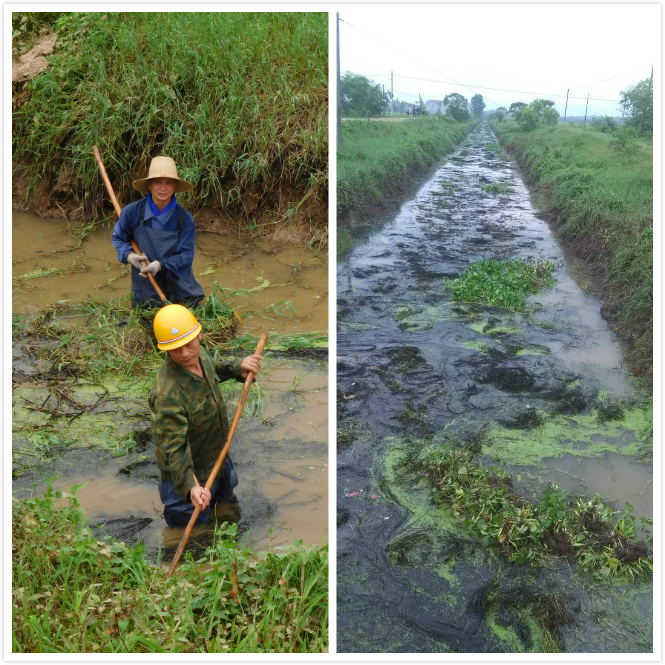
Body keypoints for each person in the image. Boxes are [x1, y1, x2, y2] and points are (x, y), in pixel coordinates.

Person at [149, 304, 262, 527]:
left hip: (217, 457)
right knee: (192, 531)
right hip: (189, 474)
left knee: (227, 513)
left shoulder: (201, 355)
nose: (183, 354)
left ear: (199, 336)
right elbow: (174, 447)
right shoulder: (166, 394)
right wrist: (191, 487)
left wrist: (237, 368)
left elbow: (214, 368)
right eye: (175, 349)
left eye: (188, 345)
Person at [111, 155, 205, 309]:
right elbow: (118, 238)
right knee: (146, 320)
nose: (163, 188)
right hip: (146, 285)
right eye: (158, 183)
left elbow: (186, 256)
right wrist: (129, 256)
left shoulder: (184, 218)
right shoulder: (132, 212)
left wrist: (159, 265)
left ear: (175, 187)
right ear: (149, 185)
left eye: (168, 183)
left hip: (179, 286)